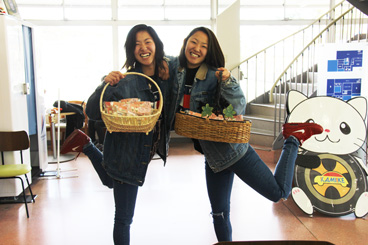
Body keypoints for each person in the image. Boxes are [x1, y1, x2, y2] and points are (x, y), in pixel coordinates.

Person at [166, 27, 324, 242]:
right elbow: (153, 61)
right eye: (194, 42)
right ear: (185, 42)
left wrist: (229, 80)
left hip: (235, 153)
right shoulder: (175, 68)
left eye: (204, 46)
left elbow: (239, 104)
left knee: (278, 193)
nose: (197, 48)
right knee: (219, 213)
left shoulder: (214, 74)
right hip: (214, 159)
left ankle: (292, 138)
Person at [60, 24, 177, 245]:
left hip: (144, 151)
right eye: (136, 44)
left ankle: (86, 145)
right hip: (126, 151)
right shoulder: (125, 81)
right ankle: (88, 146)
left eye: (147, 42)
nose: (143, 47)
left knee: (111, 182)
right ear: (131, 51)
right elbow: (92, 112)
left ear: (156, 45)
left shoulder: (168, 74)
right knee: (123, 218)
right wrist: (103, 83)